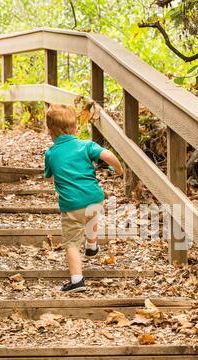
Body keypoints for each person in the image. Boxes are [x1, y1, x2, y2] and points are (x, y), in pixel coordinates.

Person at [44, 103, 123, 292]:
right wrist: (119, 169)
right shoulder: (86, 145)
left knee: (71, 243)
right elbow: (108, 155)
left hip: (71, 204)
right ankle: (92, 245)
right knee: (92, 217)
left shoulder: (51, 154)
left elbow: (50, 178)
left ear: (50, 131)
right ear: (76, 128)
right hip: (95, 198)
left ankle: (77, 280)